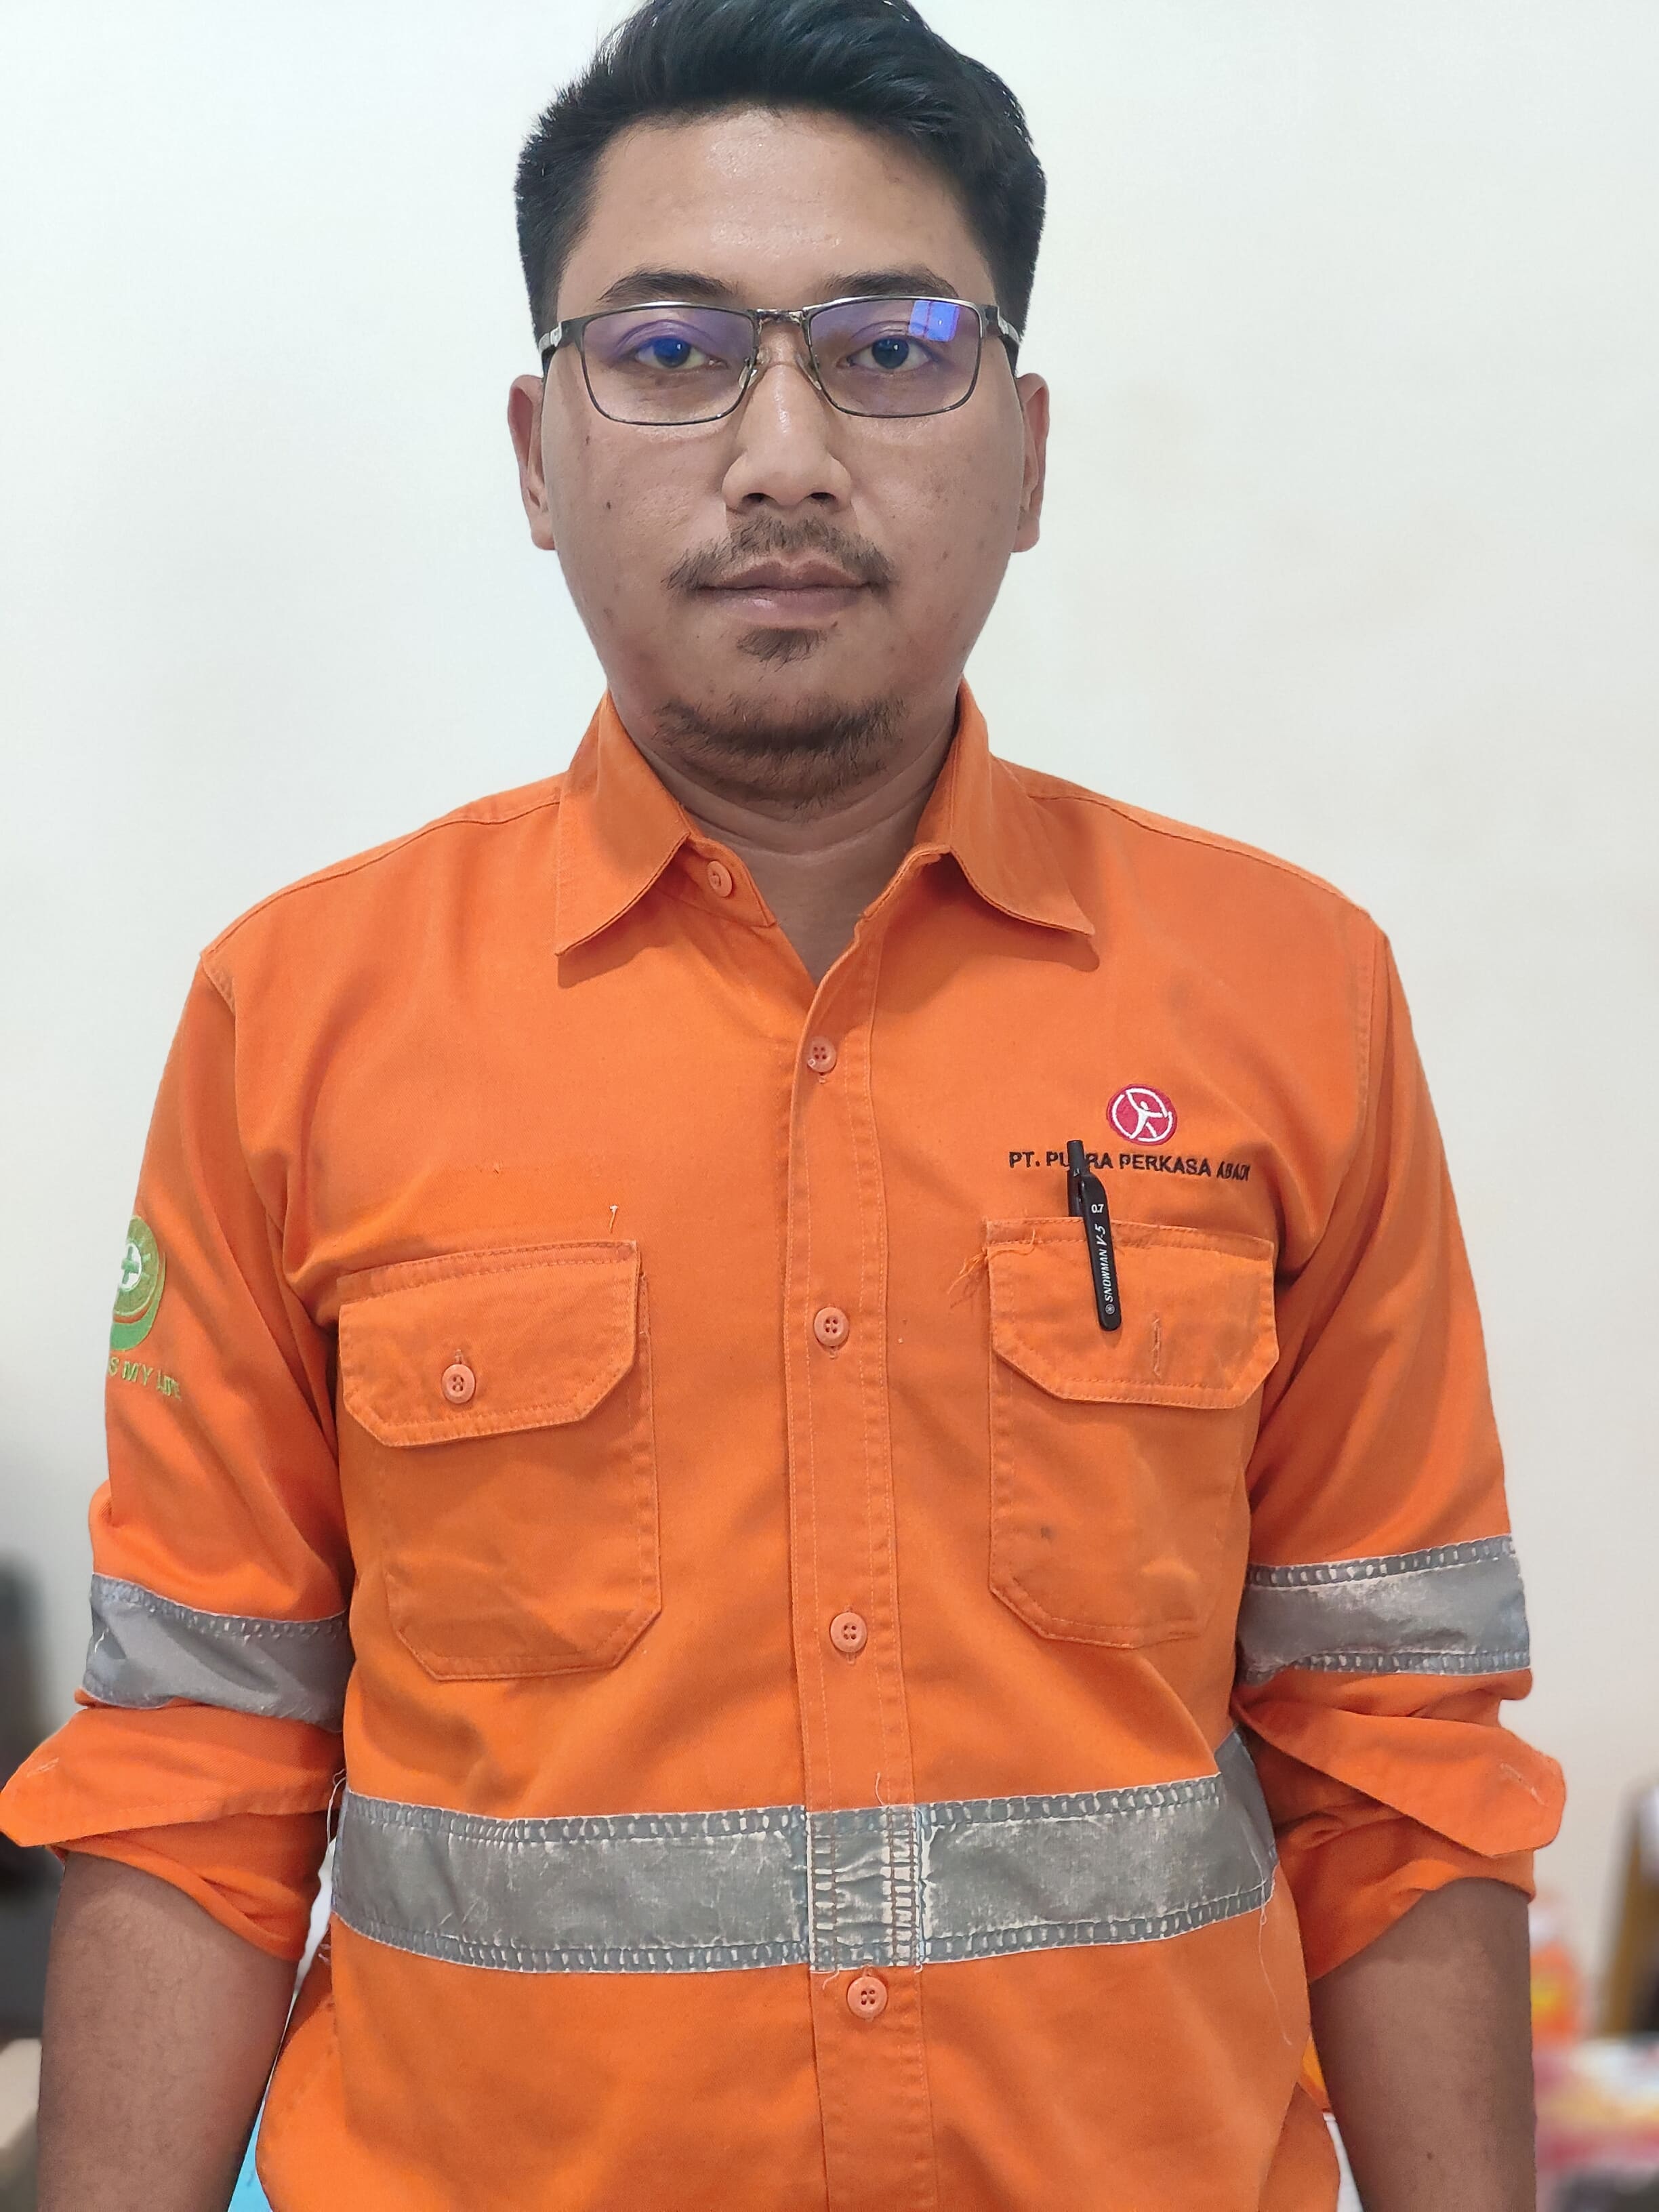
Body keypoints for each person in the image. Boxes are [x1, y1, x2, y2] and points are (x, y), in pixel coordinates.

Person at [4, 1, 1563, 2205]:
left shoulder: (1289, 993)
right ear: (536, 453)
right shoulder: (300, 1015)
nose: (785, 456)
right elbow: (195, 1768)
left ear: (1028, 451)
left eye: (892, 349)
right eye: (669, 353)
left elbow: (1393, 1750)